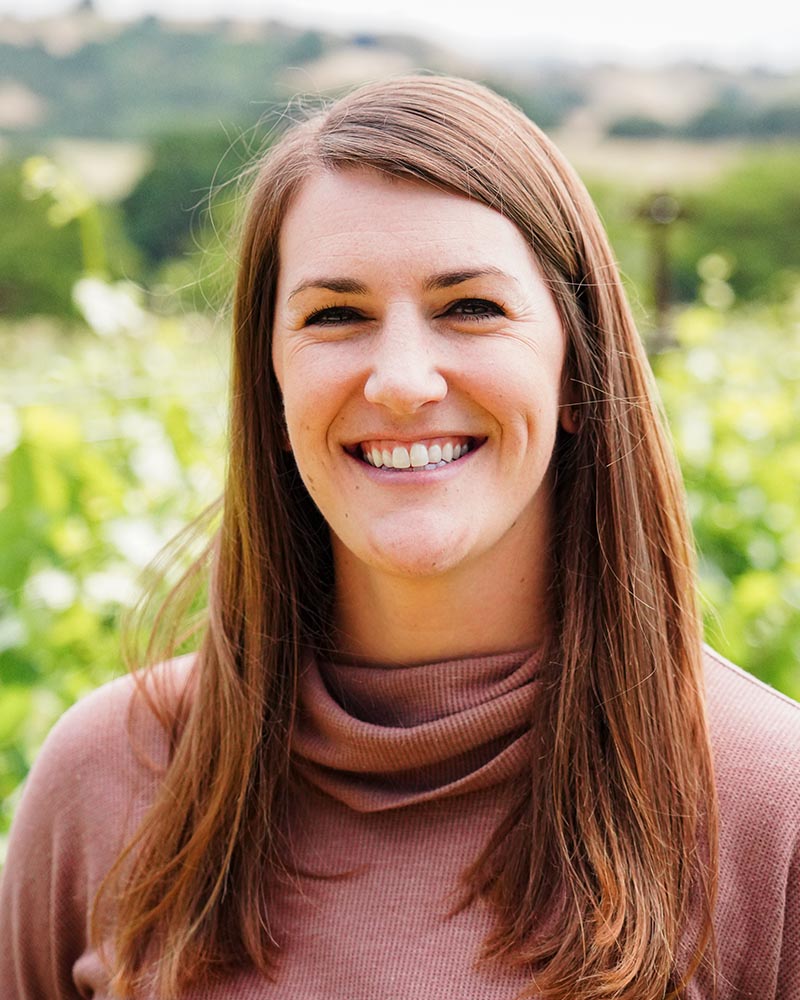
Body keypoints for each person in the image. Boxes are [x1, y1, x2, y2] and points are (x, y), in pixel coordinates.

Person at [1, 74, 798, 1000]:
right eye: (335, 316)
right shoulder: (110, 776)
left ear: (579, 369)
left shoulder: (770, 807)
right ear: (271, 385)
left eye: (471, 307)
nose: (403, 381)